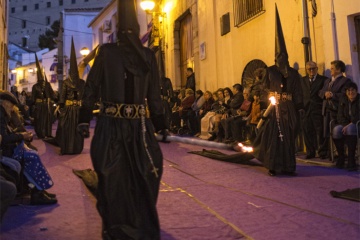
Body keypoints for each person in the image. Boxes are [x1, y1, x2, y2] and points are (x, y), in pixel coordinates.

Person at [77, 0, 168, 238]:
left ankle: (134, 223)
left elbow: (91, 88)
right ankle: (119, 225)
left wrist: (84, 118)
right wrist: (161, 125)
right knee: (117, 177)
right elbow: (93, 87)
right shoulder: (125, 54)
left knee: (143, 172)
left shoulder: (141, 56)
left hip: (130, 128)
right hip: (119, 129)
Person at [252, 6, 304, 177]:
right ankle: (273, 165)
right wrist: (270, 96)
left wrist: (299, 107)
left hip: (288, 108)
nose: (281, 58)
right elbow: (264, 87)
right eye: (278, 56)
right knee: (274, 136)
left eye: (284, 55)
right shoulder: (271, 71)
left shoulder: (294, 73)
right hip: (275, 108)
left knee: (288, 137)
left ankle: (289, 166)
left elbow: (297, 91)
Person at [0, 90, 57, 205]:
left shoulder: (3, 114)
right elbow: (5, 138)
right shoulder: (1, 115)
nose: (12, 109)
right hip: (5, 152)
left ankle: (38, 190)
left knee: (32, 154)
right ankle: (37, 192)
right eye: (11, 106)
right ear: (5, 103)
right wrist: (21, 135)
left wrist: (20, 135)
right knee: (31, 157)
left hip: (7, 149)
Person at [54, 37, 85, 155]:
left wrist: (61, 108)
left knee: (66, 128)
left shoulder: (67, 82)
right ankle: (75, 148)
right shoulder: (81, 82)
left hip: (68, 109)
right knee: (76, 129)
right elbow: (84, 96)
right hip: (77, 110)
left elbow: (62, 97)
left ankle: (67, 148)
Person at [319, 60, 351, 159]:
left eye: (332, 68)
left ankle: (340, 153)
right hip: (327, 110)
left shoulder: (345, 81)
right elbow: (320, 92)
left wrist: (332, 95)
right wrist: (325, 94)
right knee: (327, 132)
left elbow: (345, 95)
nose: (330, 70)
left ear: (338, 69)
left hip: (336, 111)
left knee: (337, 132)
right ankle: (331, 152)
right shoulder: (328, 81)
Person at [300, 61, 328, 159]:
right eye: (309, 69)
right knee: (307, 131)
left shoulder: (323, 80)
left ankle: (322, 152)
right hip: (306, 109)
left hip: (318, 108)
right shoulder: (302, 80)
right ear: (306, 70)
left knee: (320, 131)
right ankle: (310, 152)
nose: (311, 70)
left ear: (317, 68)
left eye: (313, 68)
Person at [331, 81, 359, 171]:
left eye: (353, 90)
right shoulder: (343, 99)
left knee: (350, 129)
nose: (351, 93)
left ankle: (351, 160)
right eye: (348, 91)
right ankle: (341, 157)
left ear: (356, 91)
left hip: (357, 124)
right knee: (336, 130)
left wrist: (351, 124)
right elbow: (340, 115)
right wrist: (345, 125)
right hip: (345, 124)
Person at [32, 54, 56, 139]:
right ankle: (41, 134)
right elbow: (33, 98)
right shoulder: (35, 86)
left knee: (47, 120)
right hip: (39, 106)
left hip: (46, 105)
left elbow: (52, 94)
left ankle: (47, 133)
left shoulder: (47, 85)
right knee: (39, 120)